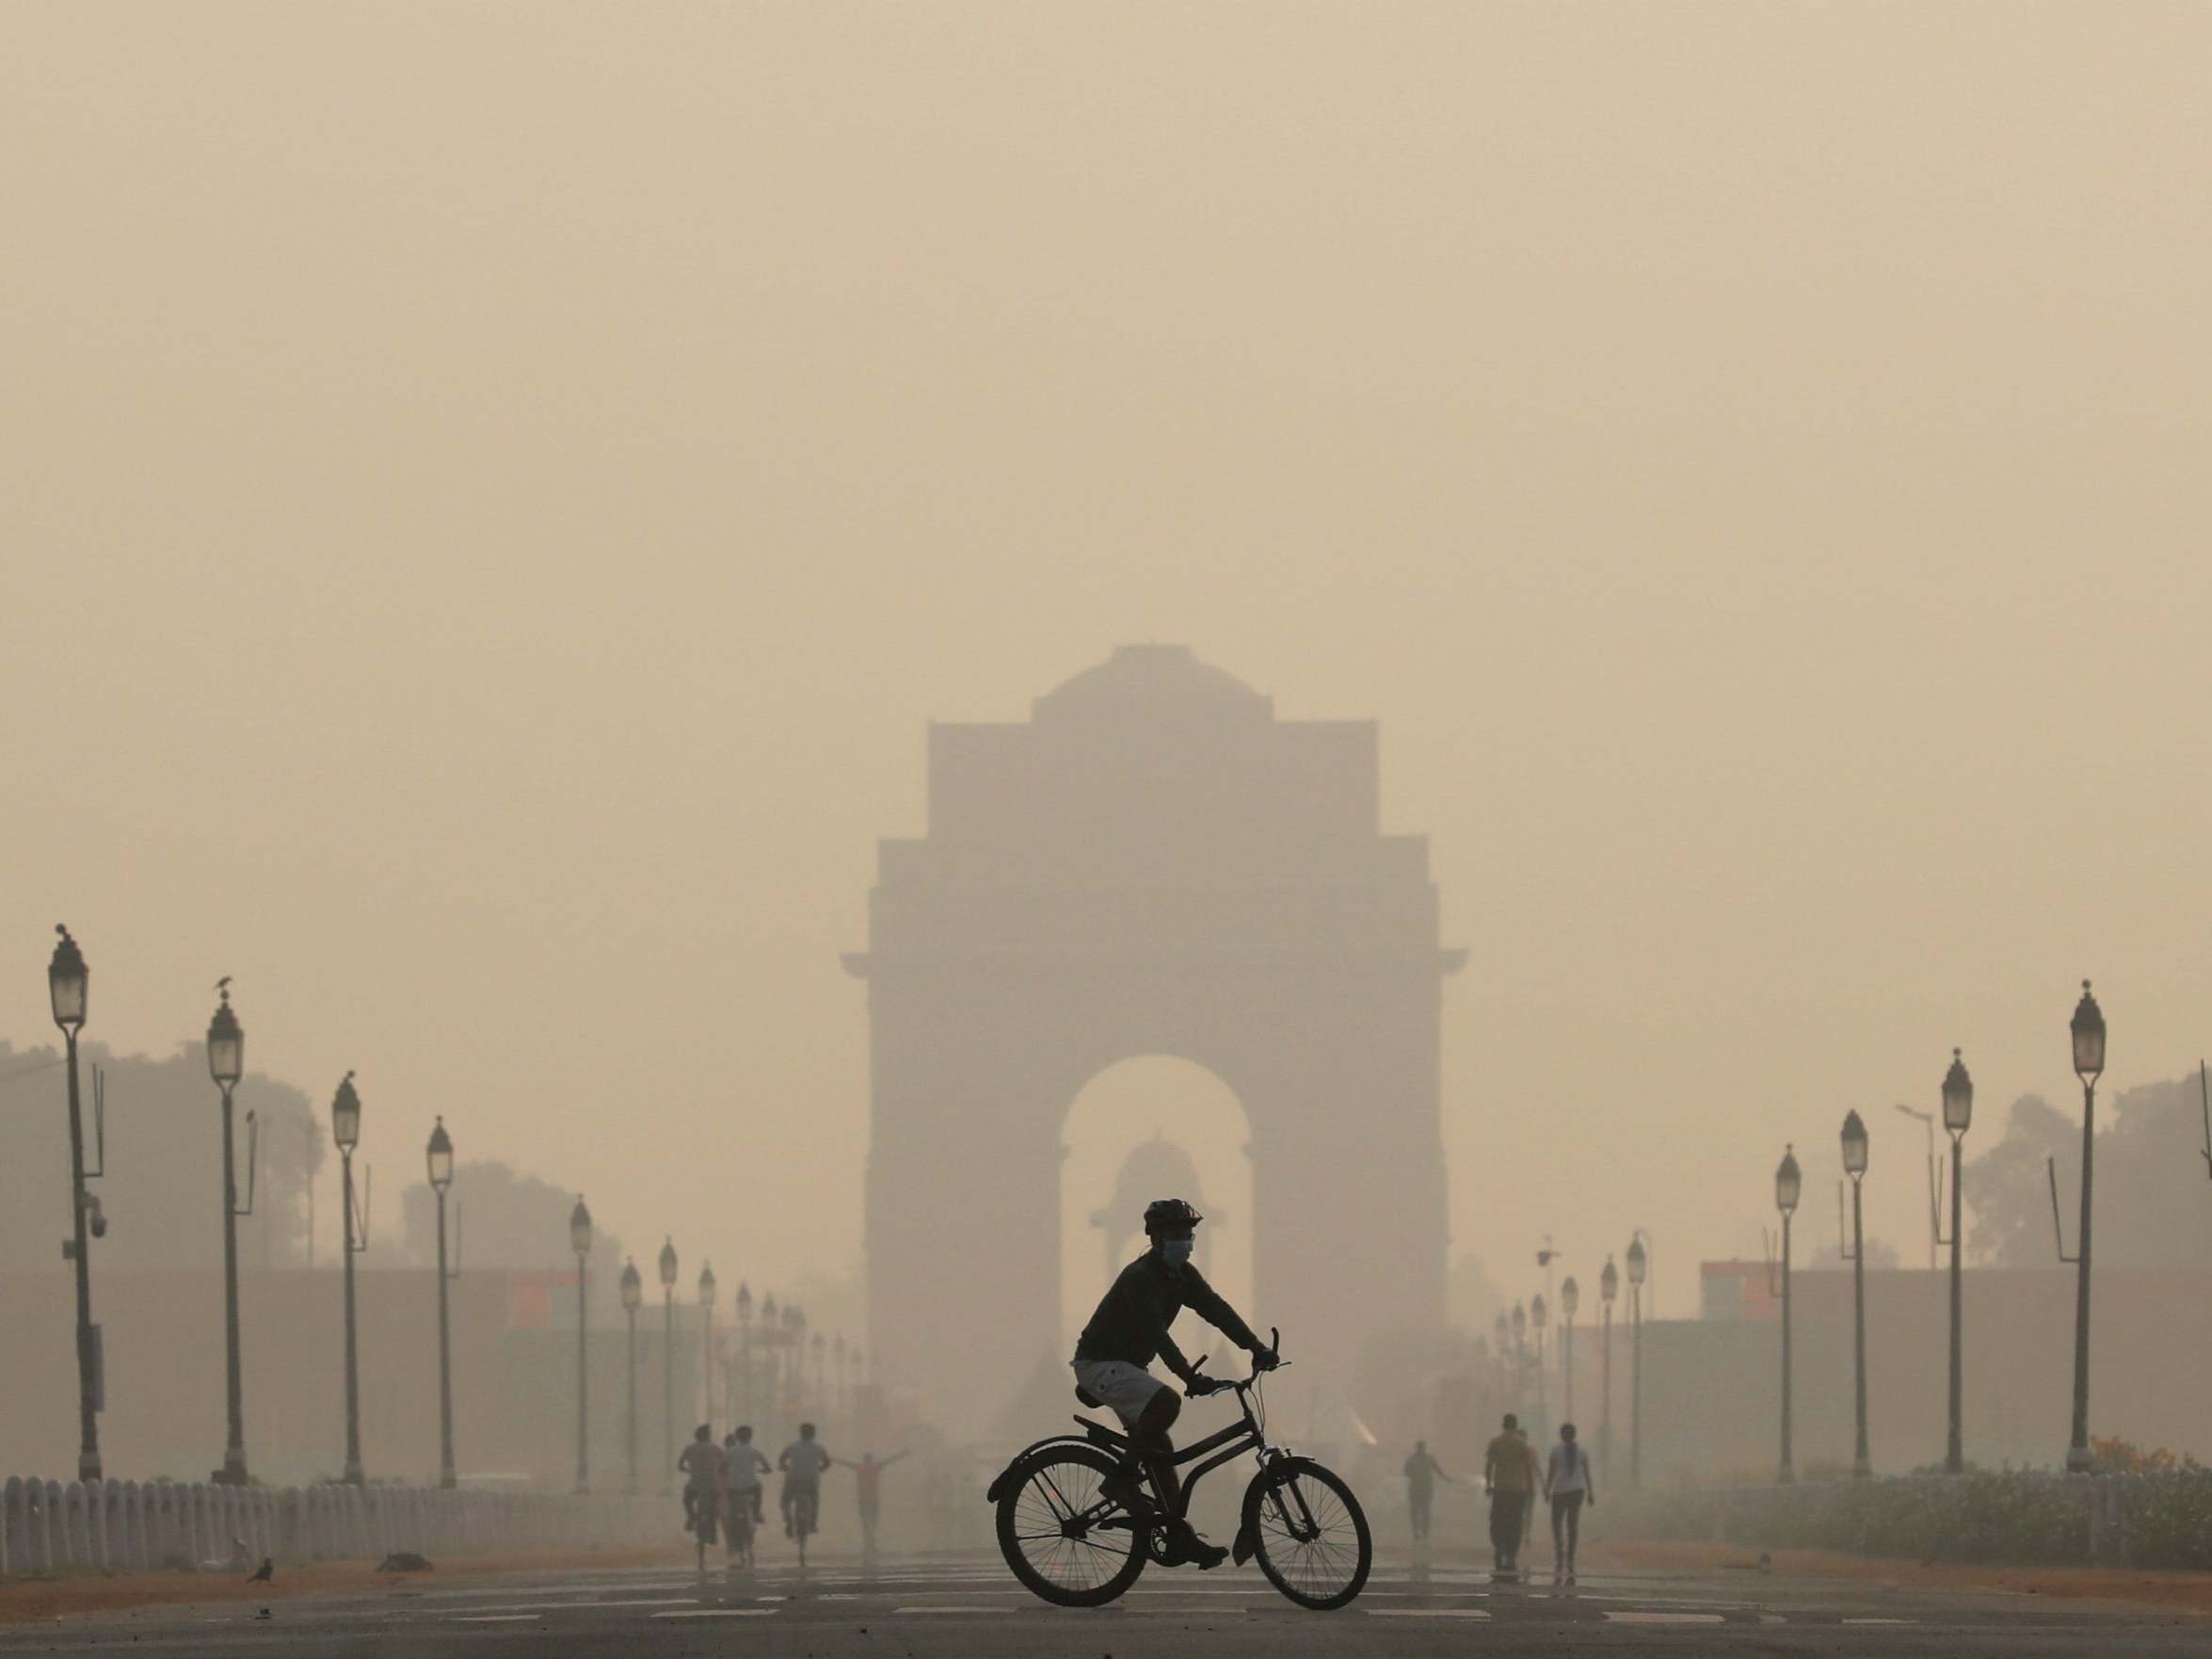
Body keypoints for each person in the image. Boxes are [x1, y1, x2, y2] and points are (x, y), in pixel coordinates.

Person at [1071, 1197, 1278, 1571]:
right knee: (1167, 1402)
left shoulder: (1184, 1277)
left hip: (1127, 1368)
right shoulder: (1140, 1278)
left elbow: (1218, 1311)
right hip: (1099, 1365)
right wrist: (1189, 1378)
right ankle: (1121, 1481)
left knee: (1162, 1451)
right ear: (1154, 1236)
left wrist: (1256, 1347)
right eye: (1176, 1232)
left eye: (1189, 1232)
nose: (1185, 1238)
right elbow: (1157, 1337)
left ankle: (1179, 1536)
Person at [1483, 1413, 1534, 1575]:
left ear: (1503, 1425)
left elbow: (1489, 1465)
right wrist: (1530, 1488)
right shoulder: (1522, 1444)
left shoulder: (1496, 1442)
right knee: (1516, 1522)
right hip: (1518, 1489)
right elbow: (1528, 1468)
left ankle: (1500, 1546)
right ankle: (1512, 1553)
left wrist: (1488, 1485)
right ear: (1515, 1425)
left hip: (1501, 1488)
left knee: (1496, 1519)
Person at [1545, 1422, 1595, 1584]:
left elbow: (1551, 1472)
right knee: (1572, 1525)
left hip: (1560, 1491)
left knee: (1557, 1523)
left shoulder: (1556, 1450)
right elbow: (1587, 1473)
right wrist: (1590, 1493)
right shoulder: (1582, 1451)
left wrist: (1547, 1489)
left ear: (1562, 1435)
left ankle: (1560, 1553)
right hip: (1577, 1491)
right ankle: (1570, 1557)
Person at [848, 1449, 910, 1554]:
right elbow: (889, 1460)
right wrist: (902, 1454)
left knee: (864, 1522)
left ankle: (867, 1543)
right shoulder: (875, 1467)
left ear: (864, 1460)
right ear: (871, 1460)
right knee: (873, 1521)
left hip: (862, 1499)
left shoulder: (859, 1467)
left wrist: (831, 1458)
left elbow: (846, 1463)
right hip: (873, 1499)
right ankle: (871, 1543)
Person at [778, 1422, 833, 1538]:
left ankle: (788, 1522)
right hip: (811, 1479)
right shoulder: (819, 1448)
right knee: (814, 1501)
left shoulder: (792, 1446)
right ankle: (813, 1523)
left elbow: (782, 1459)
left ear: (800, 1433)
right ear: (813, 1434)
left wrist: (784, 1467)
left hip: (793, 1478)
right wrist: (819, 1469)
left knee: (785, 1501)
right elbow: (827, 1463)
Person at [676, 1424, 726, 1540]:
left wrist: (687, 1470)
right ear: (708, 1436)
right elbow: (725, 1463)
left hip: (694, 1484)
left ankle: (691, 1517)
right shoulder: (714, 1448)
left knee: (687, 1500)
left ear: (696, 1436)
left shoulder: (689, 1448)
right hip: (711, 1484)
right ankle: (713, 1530)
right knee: (716, 1503)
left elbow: (680, 1465)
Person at [1403, 1439, 1451, 1542]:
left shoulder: (1424, 1459)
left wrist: (1446, 1479)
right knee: (1417, 1511)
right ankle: (1417, 1532)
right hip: (1417, 1489)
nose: (1421, 1450)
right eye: (1420, 1448)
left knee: (1424, 1511)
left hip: (1424, 1489)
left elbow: (1438, 1470)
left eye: (1422, 1448)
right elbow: (1406, 1472)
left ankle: (1424, 1532)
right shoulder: (1416, 1459)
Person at [724, 1425, 770, 1525]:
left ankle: (730, 1515)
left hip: (734, 1487)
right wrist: (761, 1470)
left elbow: (722, 1468)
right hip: (750, 1487)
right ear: (750, 1436)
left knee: (729, 1498)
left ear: (737, 1437)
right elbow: (768, 1468)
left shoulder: (730, 1452)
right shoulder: (755, 1451)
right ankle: (757, 1513)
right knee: (759, 1487)